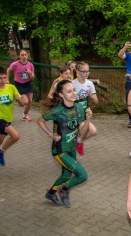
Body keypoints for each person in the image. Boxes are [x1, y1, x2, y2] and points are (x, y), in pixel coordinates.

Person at [37, 80, 92, 208]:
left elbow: (82, 133)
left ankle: (51, 193)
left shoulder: (79, 108)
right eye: (69, 91)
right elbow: (40, 120)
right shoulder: (57, 111)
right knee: (82, 175)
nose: (73, 93)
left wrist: (88, 120)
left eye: (74, 90)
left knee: (66, 175)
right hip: (60, 150)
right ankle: (64, 190)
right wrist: (50, 134)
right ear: (61, 95)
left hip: (71, 147)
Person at [71, 62, 98, 155]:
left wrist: (90, 95)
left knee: (93, 131)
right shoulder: (72, 83)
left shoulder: (90, 84)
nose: (86, 73)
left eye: (88, 71)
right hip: (73, 113)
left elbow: (96, 101)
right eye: (84, 71)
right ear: (77, 71)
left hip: (84, 114)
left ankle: (79, 141)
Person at [6, 49, 34, 122]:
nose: (24, 56)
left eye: (25, 55)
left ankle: (25, 115)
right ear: (19, 56)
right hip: (19, 84)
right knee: (25, 102)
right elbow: (8, 70)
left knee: (30, 101)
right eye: (22, 55)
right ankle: (17, 98)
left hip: (27, 84)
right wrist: (7, 79)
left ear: (27, 56)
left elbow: (33, 77)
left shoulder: (30, 65)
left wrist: (30, 73)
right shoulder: (15, 64)